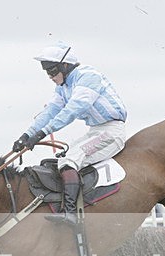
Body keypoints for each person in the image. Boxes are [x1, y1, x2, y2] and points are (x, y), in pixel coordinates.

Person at [12, 42, 127, 225]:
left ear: (65, 65)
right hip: (96, 130)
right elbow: (51, 111)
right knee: (62, 159)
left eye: (52, 70)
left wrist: (42, 133)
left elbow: (73, 109)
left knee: (70, 159)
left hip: (111, 131)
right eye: (46, 72)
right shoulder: (63, 87)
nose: (49, 76)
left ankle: (71, 213)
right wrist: (26, 135)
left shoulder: (88, 76)